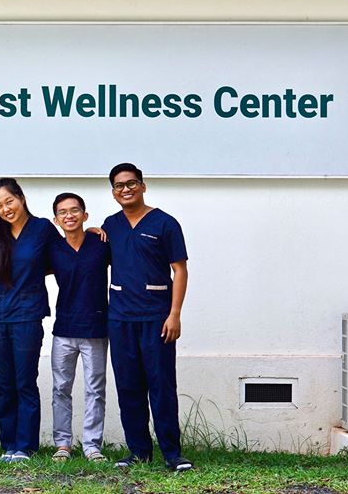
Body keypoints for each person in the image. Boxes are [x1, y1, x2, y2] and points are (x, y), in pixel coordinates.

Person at [102, 162, 192, 472]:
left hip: (157, 319)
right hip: (121, 319)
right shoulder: (110, 226)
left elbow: (179, 269)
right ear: (113, 193)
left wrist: (174, 314)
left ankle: (172, 453)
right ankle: (138, 451)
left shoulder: (165, 223)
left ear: (143, 185)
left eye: (131, 183)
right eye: (119, 186)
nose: (125, 189)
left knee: (161, 386)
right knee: (128, 387)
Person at [0, 178, 57, 462]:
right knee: (4, 383)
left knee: (25, 382)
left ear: (21, 198)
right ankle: (9, 446)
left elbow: (62, 257)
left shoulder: (42, 230)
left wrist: (92, 231)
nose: (5, 209)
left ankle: (25, 447)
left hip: (27, 316)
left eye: (9, 201)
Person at [48, 193, 111, 463]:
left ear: (85, 215)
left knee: (95, 389)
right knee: (61, 388)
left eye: (75, 211)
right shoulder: (53, 249)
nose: (69, 216)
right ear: (56, 219)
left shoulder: (101, 243)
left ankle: (92, 446)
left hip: (96, 328)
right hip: (63, 328)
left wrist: (99, 230)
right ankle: (63, 444)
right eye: (63, 212)